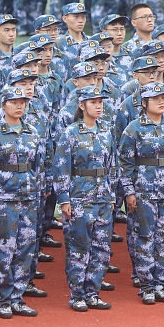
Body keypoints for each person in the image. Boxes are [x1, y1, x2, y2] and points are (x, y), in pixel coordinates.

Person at [0, 86, 46, 318]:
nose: (19, 106)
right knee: (3, 251)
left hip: (28, 198)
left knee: (26, 250)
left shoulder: (32, 132)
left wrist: (38, 195)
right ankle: (4, 298)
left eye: (22, 103)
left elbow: (39, 167)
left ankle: (18, 296)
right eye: (14, 102)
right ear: (3, 105)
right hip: (3, 199)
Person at [118, 81, 164, 305]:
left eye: (163, 98)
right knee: (144, 236)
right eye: (156, 99)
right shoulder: (134, 129)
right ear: (144, 102)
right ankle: (146, 285)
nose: (161, 102)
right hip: (144, 190)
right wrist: (129, 192)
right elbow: (125, 164)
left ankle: (161, 284)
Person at [53, 85, 116, 311]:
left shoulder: (106, 131)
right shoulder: (70, 133)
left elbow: (112, 165)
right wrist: (64, 198)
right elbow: (61, 167)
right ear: (82, 105)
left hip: (103, 197)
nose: (98, 106)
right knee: (79, 247)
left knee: (101, 248)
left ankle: (93, 293)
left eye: (100, 102)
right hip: (79, 196)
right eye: (93, 102)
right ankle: (77, 294)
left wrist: (112, 195)